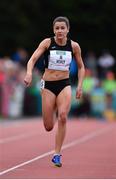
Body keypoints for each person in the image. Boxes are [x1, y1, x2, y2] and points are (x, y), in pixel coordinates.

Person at [24, 16, 85, 167]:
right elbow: (32, 59)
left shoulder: (74, 46)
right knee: (48, 126)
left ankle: (57, 154)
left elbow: (82, 67)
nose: (59, 31)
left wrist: (80, 86)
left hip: (64, 84)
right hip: (48, 85)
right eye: (57, 28)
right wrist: (29, 73)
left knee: (63, 116)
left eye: (62, 28)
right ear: (53, 30)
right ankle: (54, 105)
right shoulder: (47, 43)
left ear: (67, 30)